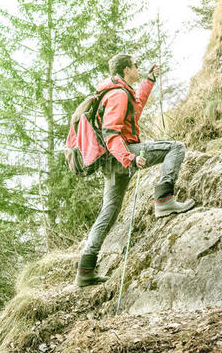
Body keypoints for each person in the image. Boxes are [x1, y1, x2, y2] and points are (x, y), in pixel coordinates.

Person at [75, 54, 195, 287]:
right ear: (126, 69)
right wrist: (130, 158)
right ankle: (164, 200)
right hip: (122, 154)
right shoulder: (119, 95)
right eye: (136, 66)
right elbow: (111, 133)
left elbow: (135, 111)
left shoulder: (115, 92)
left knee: (107, 214)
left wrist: (149, 80)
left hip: (111, 163)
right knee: (176, 148)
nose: (138, 69)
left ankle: (85, 270)